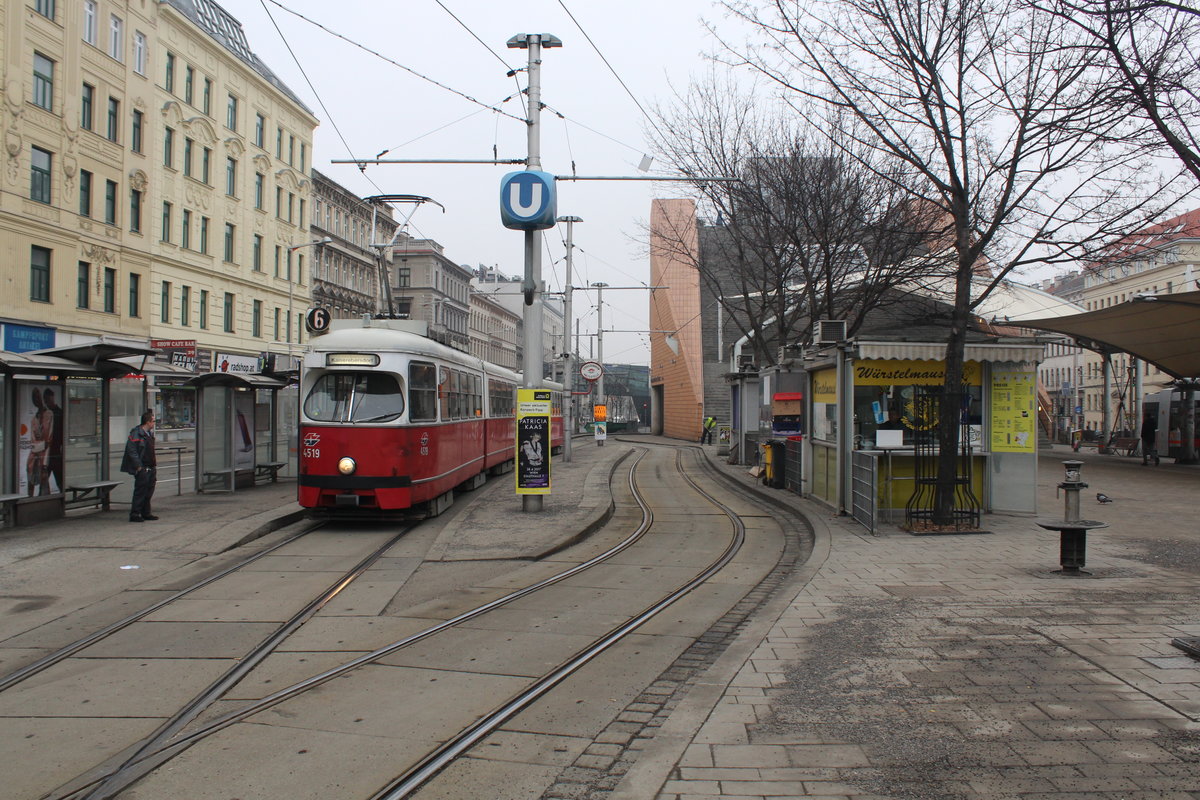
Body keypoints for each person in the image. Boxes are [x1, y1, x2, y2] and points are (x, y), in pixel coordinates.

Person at [121, 410, 159, 521]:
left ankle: (146, 512)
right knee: (140, 491)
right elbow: (132, 451)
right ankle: (135, 514)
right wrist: (139, 467)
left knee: (148, 491)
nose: (154, 423)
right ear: (147, 422)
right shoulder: (136, 433)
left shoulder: (149, 434)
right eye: (153, 421)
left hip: (151, 467)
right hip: (143, 467)